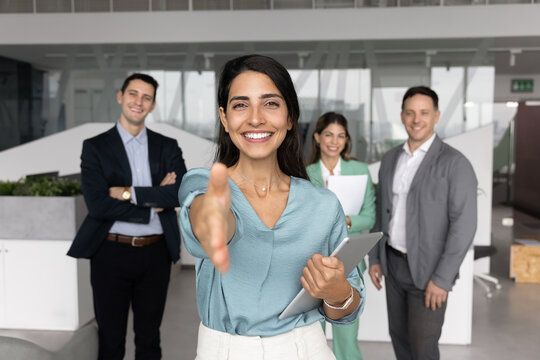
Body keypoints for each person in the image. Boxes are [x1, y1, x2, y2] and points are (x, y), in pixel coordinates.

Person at [178, 55, 366, 360]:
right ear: (224, 119)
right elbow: (211, 229)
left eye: (270, 104)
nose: (255, 118)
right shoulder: (204, 184)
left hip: (307, 349)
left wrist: (336, 291)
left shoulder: (322, 204)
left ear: (290, 117)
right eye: (241, 105)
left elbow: (349, 308)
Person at [68, 73, 187, 360]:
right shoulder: (95, 146)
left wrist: (127, 193)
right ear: (120, 96)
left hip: (155, 253)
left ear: (153, 105)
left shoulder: (167, 146)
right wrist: (153, 198)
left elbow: (179, 194)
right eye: (133, 94)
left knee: (149, 340)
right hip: (110, 252)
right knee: (110, 340)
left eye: (146, 97)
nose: (139, 102)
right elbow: (98, 205)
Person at [368, 86, 477, 360]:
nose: (417, 119)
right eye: (410, 113)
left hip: (430, 273)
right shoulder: (391, 159)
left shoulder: (455, 163)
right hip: (394, 265)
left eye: (424, 113)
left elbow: (464, 226)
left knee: (423, 347)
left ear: (436, 116)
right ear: (402, 116)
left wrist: (442, 279)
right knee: (400, 340)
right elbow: (382, 211)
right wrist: (375, 258)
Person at [306, 112, 375, 360]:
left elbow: (369, 216)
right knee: (314, 339)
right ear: (317, 137)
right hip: (314, 262)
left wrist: (344, 220)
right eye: (328, 134)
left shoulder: (359, 170)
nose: (334, 141)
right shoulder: (305, 174)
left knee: (347, 337)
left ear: (346, 140)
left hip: (350, 261)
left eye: (341, 135)